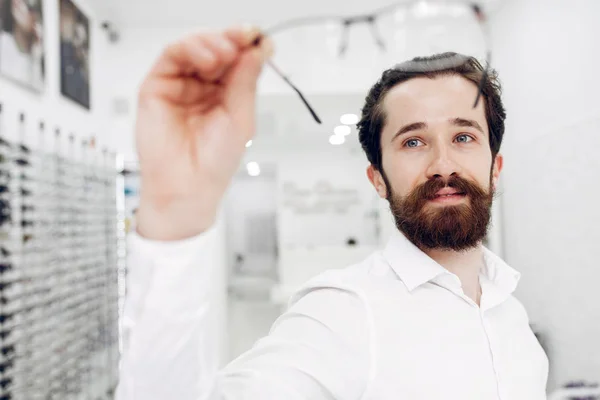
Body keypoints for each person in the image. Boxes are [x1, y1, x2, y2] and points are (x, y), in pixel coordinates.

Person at [115, 26, 549, 400]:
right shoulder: (344, 313)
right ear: (377, 178)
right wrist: (174, 217)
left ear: (495, 168)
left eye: (464, 136)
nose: (443, 164)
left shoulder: (512, 317)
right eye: (413, 142)